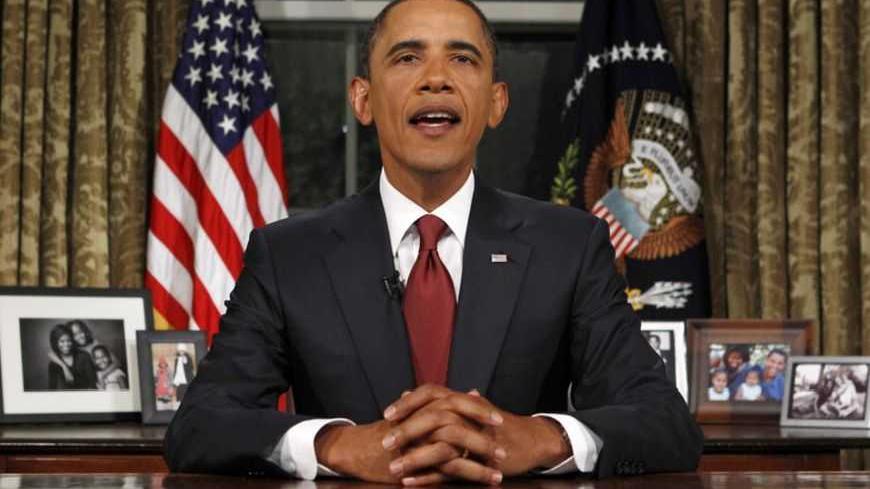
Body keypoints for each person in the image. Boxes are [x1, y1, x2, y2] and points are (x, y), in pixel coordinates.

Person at [164, 0, 702, 482]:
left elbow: (664, 423)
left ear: (496, 103)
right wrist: (335, 445)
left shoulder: (570, 245)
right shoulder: (288, 255)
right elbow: (201, 425)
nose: (436, 79)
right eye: (407, 58)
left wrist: (541, 439)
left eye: (462, 59)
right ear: (363, 98)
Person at [47, 323, 97, 390]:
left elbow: (93, 384)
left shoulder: (83, 356)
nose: (66, 344)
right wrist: (64, 366)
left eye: (69, 340)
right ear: (55, 343)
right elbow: (52, 389)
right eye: (62, 341)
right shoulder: (54, 364)